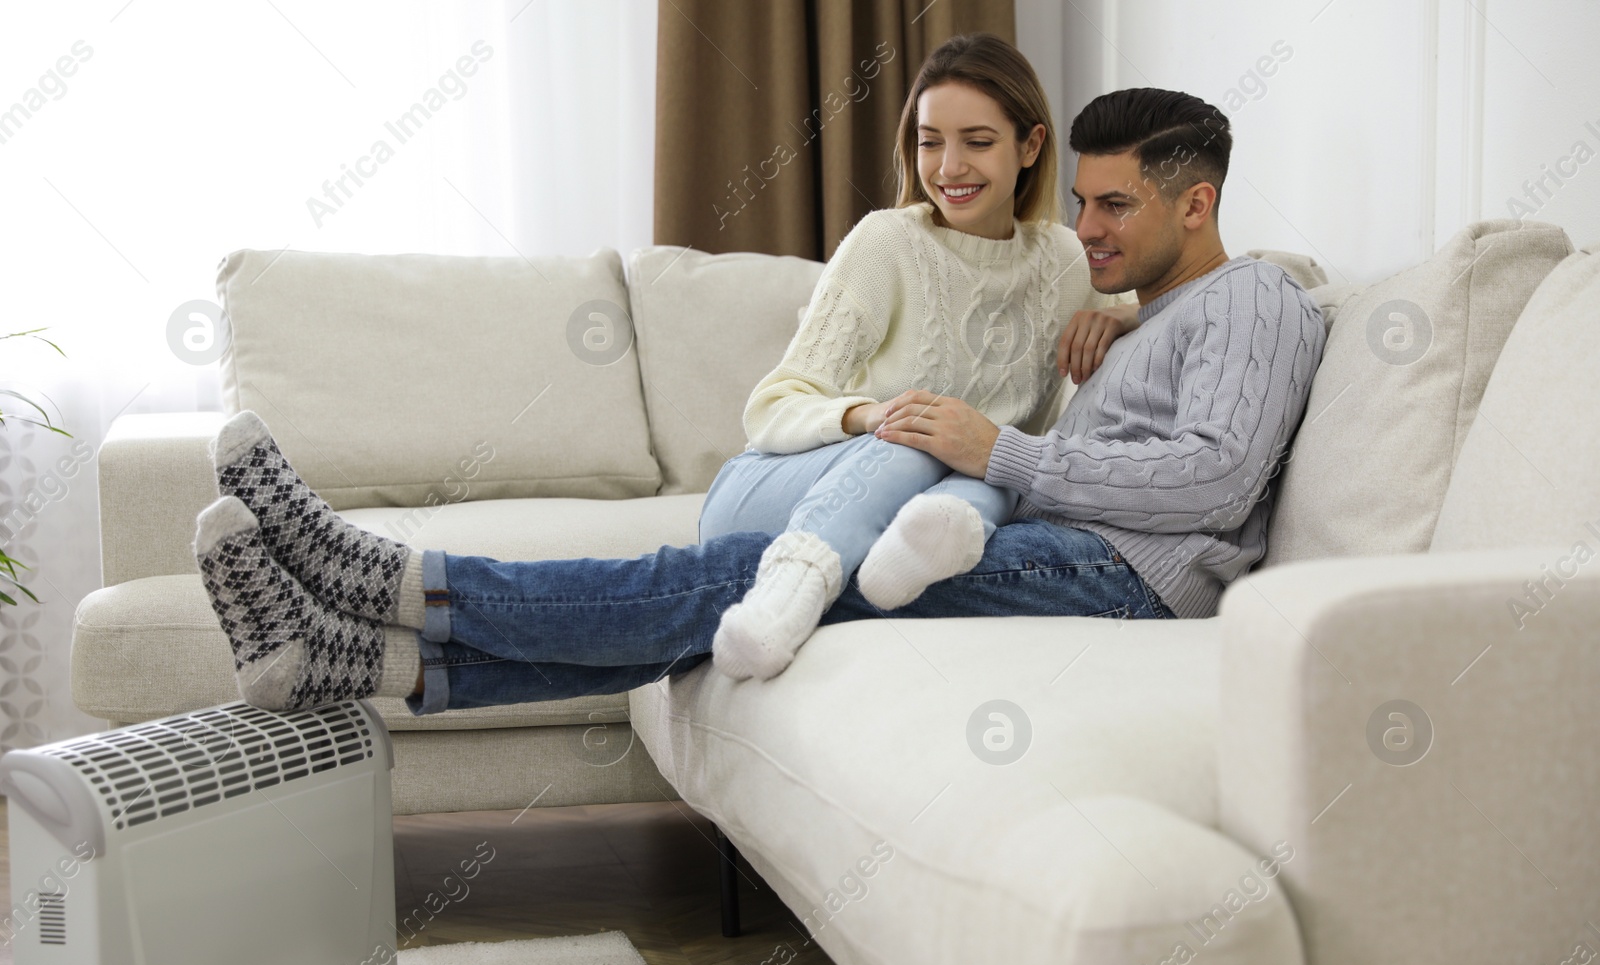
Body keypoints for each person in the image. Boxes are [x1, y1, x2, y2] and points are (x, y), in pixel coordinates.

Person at [193, 85, 1326, 716]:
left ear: (1198, 205)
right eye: (1080, 203)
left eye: (1115, 207)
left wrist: (1005, 452)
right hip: (1060, 548)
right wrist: (1113, 326)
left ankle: (385, 578)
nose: (1085, 234)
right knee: (723, 600)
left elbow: (1216, 477)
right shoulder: (1152, 309)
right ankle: (353, 661)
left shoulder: (1257, 298)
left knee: (739, 575)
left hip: (1122, 583)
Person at [699, 32, 1139, 681]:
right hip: (771, 489)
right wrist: (871, 416)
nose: (948, 166)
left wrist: (1121, 316)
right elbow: (772, 406)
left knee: (996, 455)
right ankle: (782, 598)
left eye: (977, 141)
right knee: (928, 430)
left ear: (1030, 146)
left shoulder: (1066, 261)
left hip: (941, 490)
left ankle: (920, 546)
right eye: (931, 141)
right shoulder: (887, 243)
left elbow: (1185, 305)